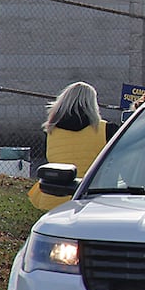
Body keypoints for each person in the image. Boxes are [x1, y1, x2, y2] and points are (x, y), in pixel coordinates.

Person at [29, 82, 113, 210]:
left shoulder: (50, 131)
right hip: (89, 199)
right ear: (93, 104)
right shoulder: (106, 129)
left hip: (52, 198)